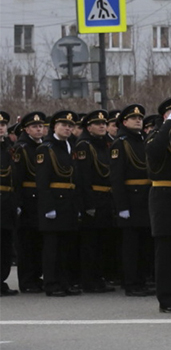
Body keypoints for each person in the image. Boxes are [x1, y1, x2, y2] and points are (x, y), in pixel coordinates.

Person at [37, 111, 83, 296]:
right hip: (54, 203)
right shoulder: (46, 148)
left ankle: (64, 282)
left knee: (66, 247)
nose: (67, 128)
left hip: (69, 203)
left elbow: (76, 178)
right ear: (54, 127)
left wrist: (77, 206)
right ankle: (51, 283)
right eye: (63, 125)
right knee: (52, 248)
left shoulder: (70, 147)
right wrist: (48, 207)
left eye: (70, 126)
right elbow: (42, 181)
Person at [110, 104, 154, 296]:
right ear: (124, 122)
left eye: (140, 118)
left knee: (145, 244)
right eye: (133, 118)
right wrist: (122, 206)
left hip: (145, 197)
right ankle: (131, 282)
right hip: (130, 198)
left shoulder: (143, 140)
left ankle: (142, 280)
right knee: (131, 246)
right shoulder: (121, 143)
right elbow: (116, 178)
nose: (138, 120)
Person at [146, 97, 171, 313]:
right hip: (163, 195)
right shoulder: (155, 135)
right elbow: (155, 151)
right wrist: (168, 124)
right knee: (166, 251)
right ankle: (166, 298)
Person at [76, 110, 116, 293]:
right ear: (88, 126)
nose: (102, 126)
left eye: (104, 123)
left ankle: (100, 277)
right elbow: (83, 178)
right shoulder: (84, 145)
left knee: (104, 242)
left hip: (107, 198)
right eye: (97, 123)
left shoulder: (106, 144)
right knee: (90, 243)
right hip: (93, 198)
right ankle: (89, 280)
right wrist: (88, 204)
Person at [14, 111, 48, 292]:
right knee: (27, 243)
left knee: (38, 242)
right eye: (34, 127)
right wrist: (18, 203)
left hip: (41, 199)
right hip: (28, 199)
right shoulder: (22, 148)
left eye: (41, 126)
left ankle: (36, 277)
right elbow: (17, 178)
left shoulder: (43, 147)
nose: (38, 129)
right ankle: (27, 281)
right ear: (26, 129)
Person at [0, 111, 17, 296]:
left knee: (5, 245)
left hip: (7, 202)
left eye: (3, 124)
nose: (1, 127)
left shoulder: (10, 147)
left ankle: (1, 280)